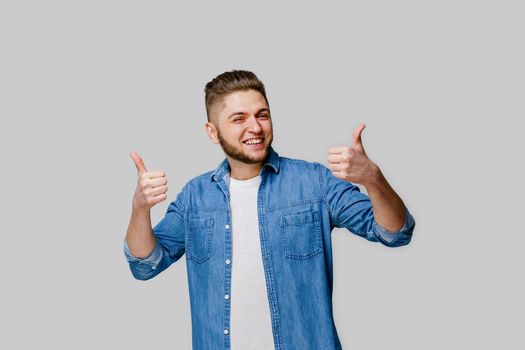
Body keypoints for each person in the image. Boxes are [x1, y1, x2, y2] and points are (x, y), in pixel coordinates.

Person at [123, 70, 416, 350]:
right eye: (239, 118)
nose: (256, 127)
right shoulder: (195, 197)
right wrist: (140, 208)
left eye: (262, 114)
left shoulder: (314, 183)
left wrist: (373, 179)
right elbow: (145, 264)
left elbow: (395, 233)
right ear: (212, 132)